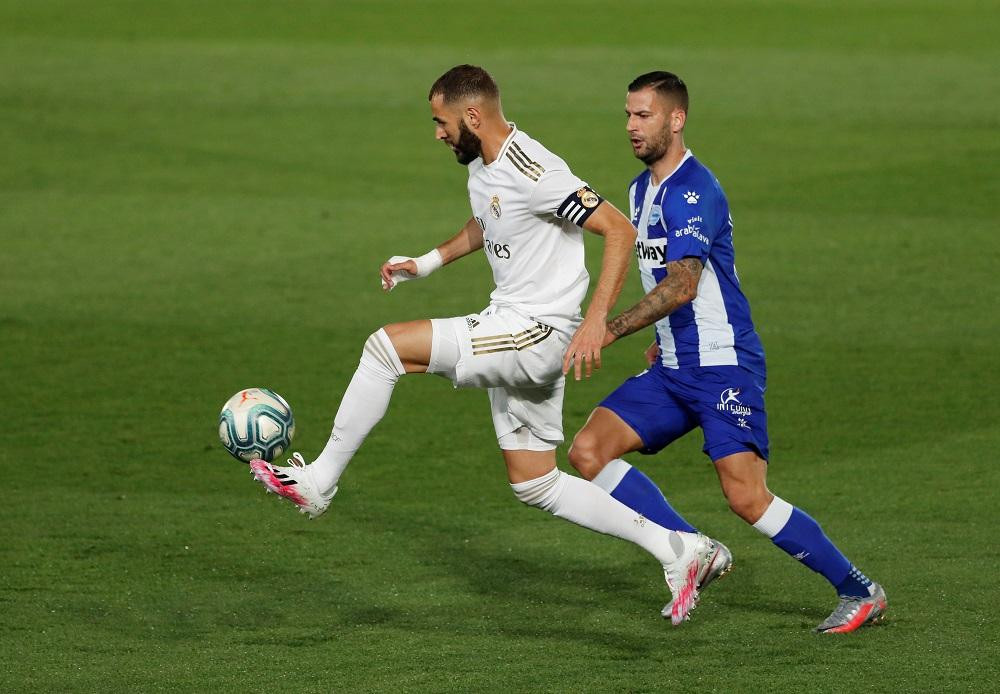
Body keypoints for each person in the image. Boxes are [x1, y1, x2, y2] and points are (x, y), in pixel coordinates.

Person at [248, 65, 725, 623]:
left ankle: (319, 481)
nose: (438, 133)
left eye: (441, 121)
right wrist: (426, 262)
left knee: (386, 347)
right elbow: (489, 220)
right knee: (536, 482)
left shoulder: (535, 168)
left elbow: (617, 229)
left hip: (537, 332)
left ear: (472, 115)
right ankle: (679, 549)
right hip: (516, 326)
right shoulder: (485, 164)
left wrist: (597, 322)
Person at [566, 70, 887, 633]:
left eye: (643, 116)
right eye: (627, 115)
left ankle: (859, 589)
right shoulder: (641, 191)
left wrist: (608, 330)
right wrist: (658, 340)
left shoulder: (695, 190)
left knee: (747, 497)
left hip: (722, 367)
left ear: (676, 119)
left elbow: (683, 284)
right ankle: (692, 547)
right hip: (672, 366)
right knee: (589, 451)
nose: (631, 127)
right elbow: (664, 283)